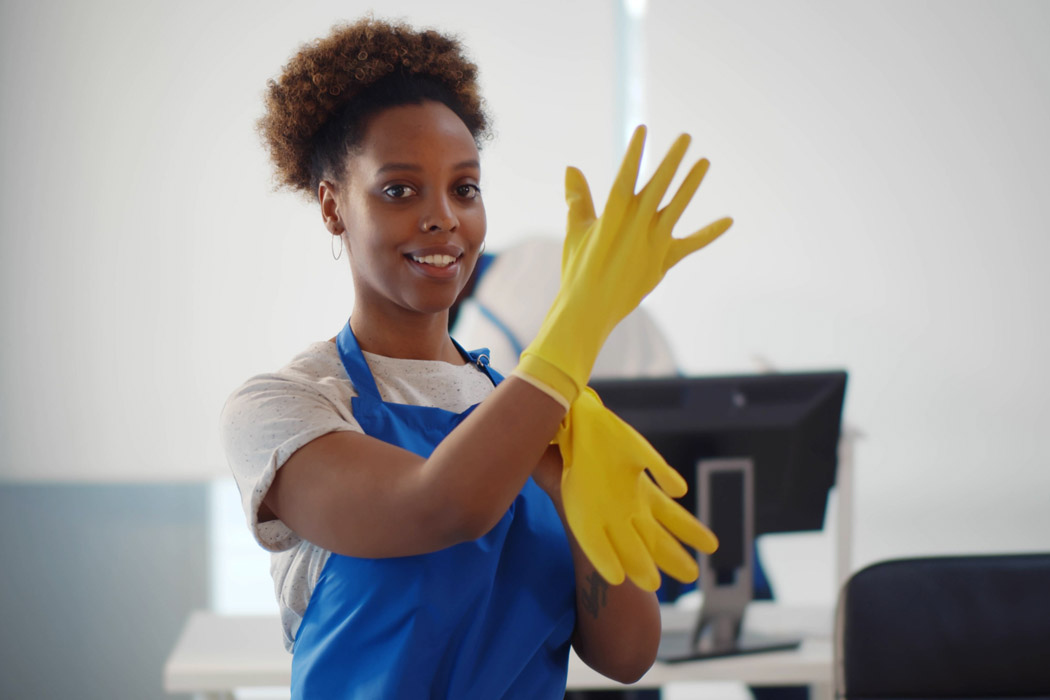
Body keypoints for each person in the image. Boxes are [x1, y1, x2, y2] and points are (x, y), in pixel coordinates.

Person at [220, 17, 730, 699]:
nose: (444, 218)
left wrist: (580, 476)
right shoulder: (285, 407)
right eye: (400, 190)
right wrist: (577, 329)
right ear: (332, 206)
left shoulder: (543, 411)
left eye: (464, 188)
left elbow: (628, 653)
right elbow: (439, 508)